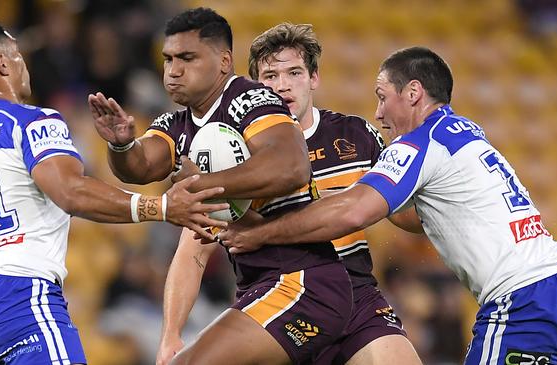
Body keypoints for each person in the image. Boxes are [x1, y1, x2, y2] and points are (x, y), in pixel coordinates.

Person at [220, 46, 557, 364]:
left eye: (383, 98)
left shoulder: (420, 142)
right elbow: (412, 217)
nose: (379, 113)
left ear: (413, 93)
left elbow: (353, 211)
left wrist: (264, 232)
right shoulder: (466, 132)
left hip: (524, 302)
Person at [0, 19, 229, 365]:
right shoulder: (30, 120)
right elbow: (71, 192)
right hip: (15, 292)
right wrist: (163, 206)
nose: (23, 64)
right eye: (17, 55)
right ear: (2, 63)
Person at [89, 8, 354, 365]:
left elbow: (292, 166)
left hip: (306, 283)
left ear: (224, 61)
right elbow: (140, 166)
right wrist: (122, 145)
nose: (173, 70)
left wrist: (202, 183)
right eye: (168, 59)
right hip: (258, 288)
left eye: (187, 58)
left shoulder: (252, 100)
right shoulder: (177, 123)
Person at [157, 22, 422, 365]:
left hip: (359, 302)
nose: (282, 86)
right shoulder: (233, 149)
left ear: (314, 78)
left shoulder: (356, 135)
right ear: (254, 88)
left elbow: (402, 214)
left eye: (294, 72)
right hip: (275, 296)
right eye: (269, 76)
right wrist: (171, 333)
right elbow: (193, 249)